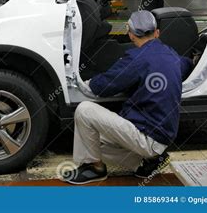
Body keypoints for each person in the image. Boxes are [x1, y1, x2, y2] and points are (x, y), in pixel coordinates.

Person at [63, 10, 192, 185]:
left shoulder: (136, 58)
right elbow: (186, 64)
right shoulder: (170, 54)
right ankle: (152, 160)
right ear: (157, 33)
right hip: (163, 138)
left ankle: (95, 169)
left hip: (147, 137)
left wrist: (90, 80)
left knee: (84, 111)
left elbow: (103, 87)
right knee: (90, 141)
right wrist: (194, 60)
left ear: (130, 34)